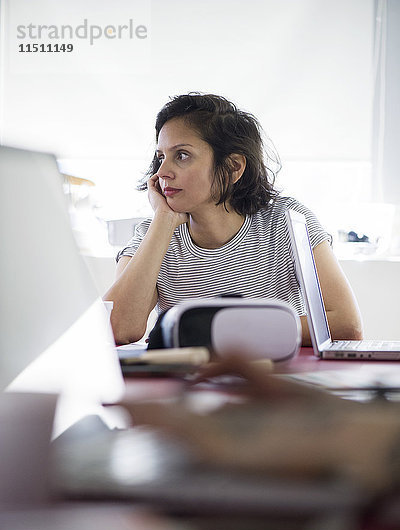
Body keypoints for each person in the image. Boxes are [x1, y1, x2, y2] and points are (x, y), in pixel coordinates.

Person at [104, 93, 363, 346]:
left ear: (233, 167)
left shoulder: (286, 220)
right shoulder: (153, 234)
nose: (162, 172)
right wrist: (163, 220)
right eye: (161, 157)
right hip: (186, 384)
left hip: (269, 380)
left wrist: (210, 331)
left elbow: (346, 324)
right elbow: (116, 328)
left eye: (181, 155)